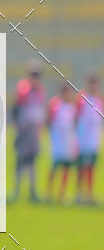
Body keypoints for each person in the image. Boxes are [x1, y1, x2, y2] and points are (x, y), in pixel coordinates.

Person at [11, 60, 47, 202]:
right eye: (33, 74)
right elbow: (16, 108)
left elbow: (41, 111)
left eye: (37, 75)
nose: (35, 77)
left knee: (32, 161)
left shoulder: (40, 90)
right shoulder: (23, 88)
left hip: (34, 131)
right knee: (20, 159)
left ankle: (32, 191)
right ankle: (17, 190)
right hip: (24, 129)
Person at [46, 83, 78, 203]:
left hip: (68, 143)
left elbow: (74, 125)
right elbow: (49, 121)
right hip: (57, 142)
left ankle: (62, 193)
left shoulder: (72, 108)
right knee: (54, 168)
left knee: (66, 168)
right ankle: (49, 192)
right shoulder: (56, 105)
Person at [76, 73, 103, 204]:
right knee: (81, 168)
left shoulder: (99, 101)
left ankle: (89, 194)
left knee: (91, 168)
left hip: (94, 141)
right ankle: (79, 194)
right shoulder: (82, 99)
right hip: (82, 141)